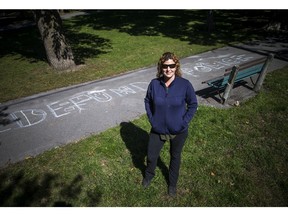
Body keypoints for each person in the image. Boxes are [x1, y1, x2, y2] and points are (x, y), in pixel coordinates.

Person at [143, 52, 198, 197]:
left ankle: (172, 184)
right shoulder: (154, 84)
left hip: (178, 130)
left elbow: (193, 104)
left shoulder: (184, 85)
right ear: (161, 67)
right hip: (158, 128)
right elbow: (147, 101)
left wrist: (183, 122)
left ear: (176, 66)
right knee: (151, 155)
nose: (168, 69)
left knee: (175, 156)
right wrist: (152, 119)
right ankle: (149, 175)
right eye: (165, 66)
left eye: (172, 66)